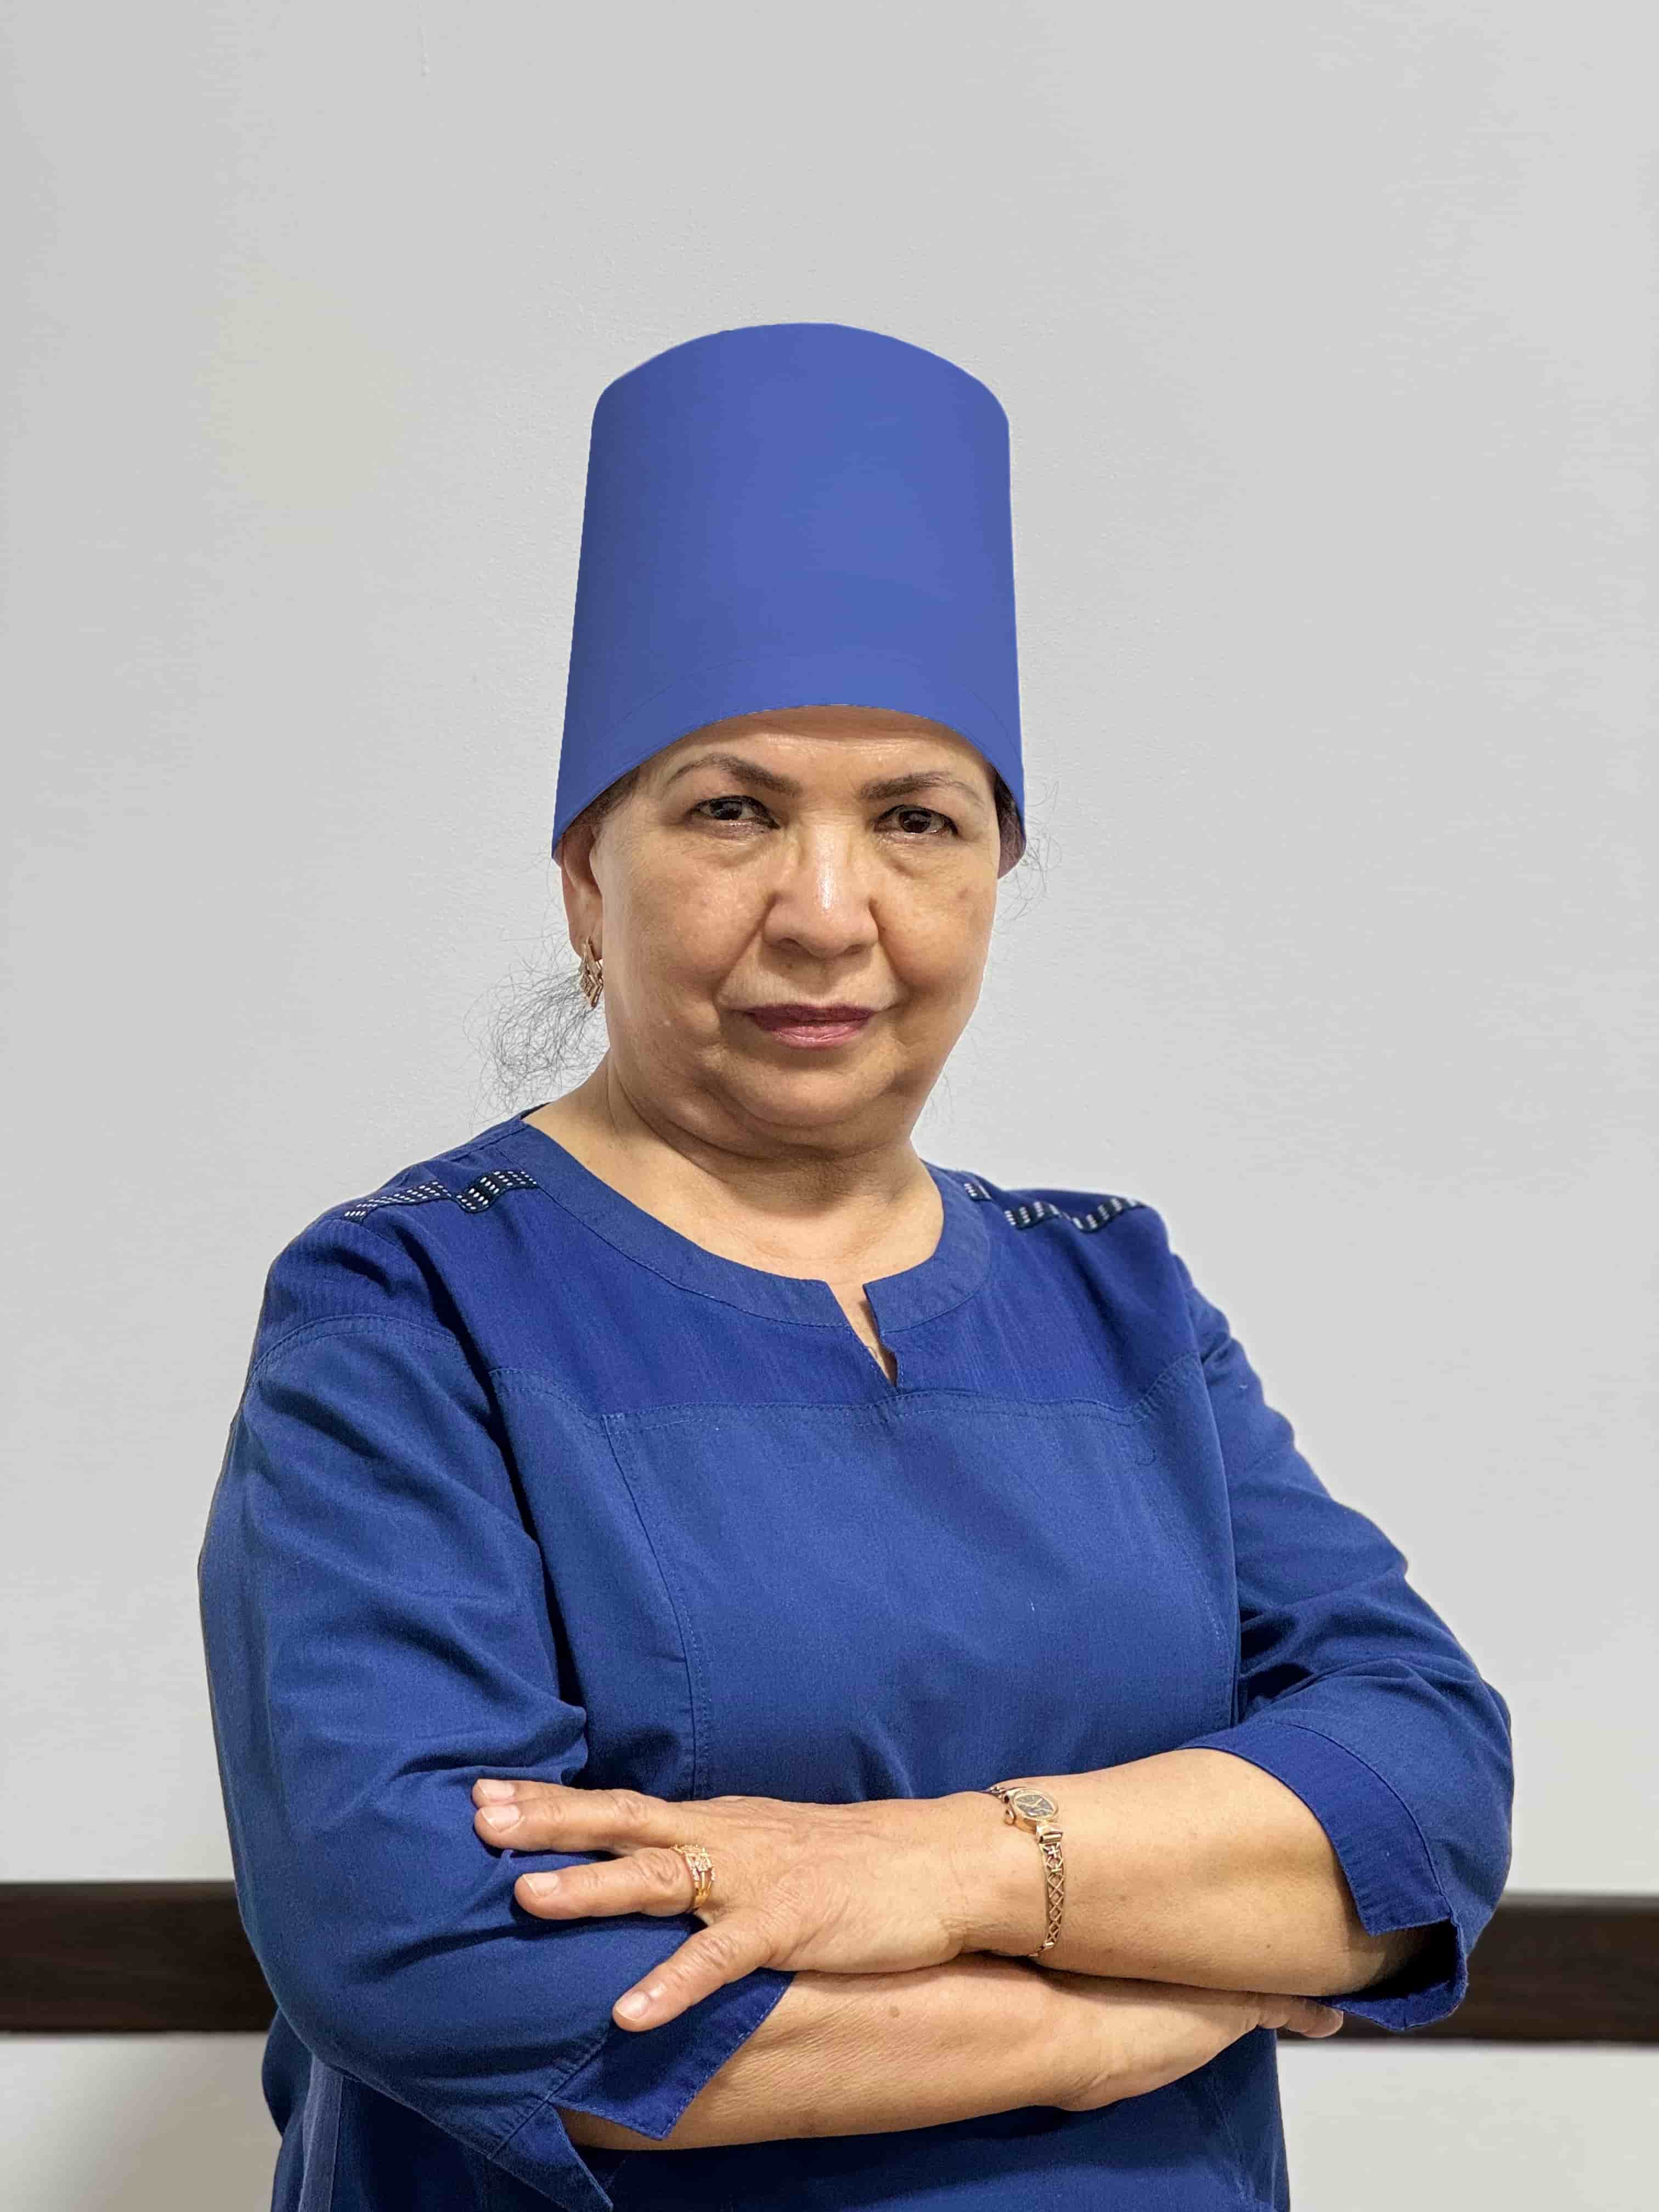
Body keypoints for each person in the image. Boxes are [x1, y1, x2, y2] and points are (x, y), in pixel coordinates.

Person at [197, 322, 1514, 2212]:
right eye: (731, 811)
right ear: (587, 880)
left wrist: (935, 1870)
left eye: (916, 820)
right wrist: (1136, 2016)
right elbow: (441, 1960)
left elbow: (1427, 1790)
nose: (827, 914)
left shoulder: (1115, 1299)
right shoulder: (414, 1311)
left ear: (991, 877)